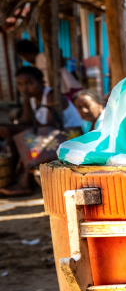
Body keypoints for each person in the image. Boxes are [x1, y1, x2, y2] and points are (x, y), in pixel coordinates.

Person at [1, 66, 84, 196]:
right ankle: (11, 179)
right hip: (52, 136)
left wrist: (13, 128)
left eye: (29, 83)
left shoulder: (51, 96)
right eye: (20, 84)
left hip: (70, 136)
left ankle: (25, 183)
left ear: (41, 82)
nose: (24, 88)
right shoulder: (31, 98)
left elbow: (49, 126)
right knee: (13, 139)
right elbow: (26, 121)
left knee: (31, 140)